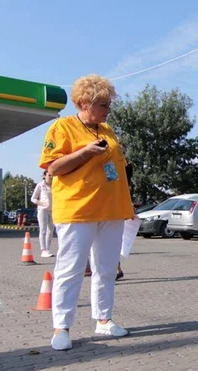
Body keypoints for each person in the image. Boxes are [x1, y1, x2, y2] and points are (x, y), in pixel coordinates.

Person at [40, 74, 135, 351]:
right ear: (84, 102)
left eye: (108, 104)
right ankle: (62, 327)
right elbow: (53, 168)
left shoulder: (107, 130)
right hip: (77, 210)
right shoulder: (63, 127)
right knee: (70, 270)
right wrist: (84, 153)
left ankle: (103, 320)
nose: (108, 109)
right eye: (103, 104)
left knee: (106, 269)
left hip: (112, 209)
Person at [31, 170, 54, 258]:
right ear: (44, 176)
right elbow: (33, 198)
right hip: (43, 210)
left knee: (51, 230)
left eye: (52, 175)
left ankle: (48, 249)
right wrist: (39, 202)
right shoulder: (40, 185)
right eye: (49, 175)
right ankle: (43, 249)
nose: (51, 177)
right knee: (43, 229)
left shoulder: (54, 185)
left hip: (52, 210)